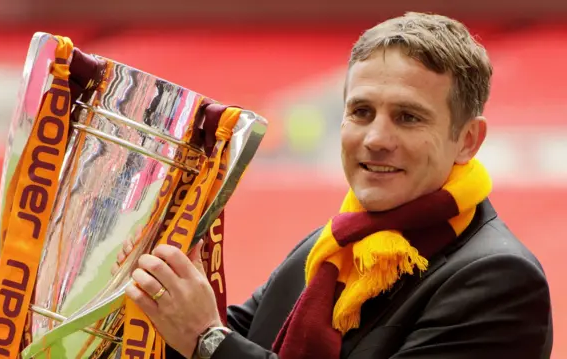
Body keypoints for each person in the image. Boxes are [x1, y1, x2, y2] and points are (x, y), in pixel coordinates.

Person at [121, 12, 553, 359]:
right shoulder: (330, 246)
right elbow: (212, 333)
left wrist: (208, 340)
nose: (376, 139)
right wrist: (148, 282)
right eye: (361, 112)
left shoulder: (499, 281)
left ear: (467, 140)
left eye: (408, 117)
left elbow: (212, 338)